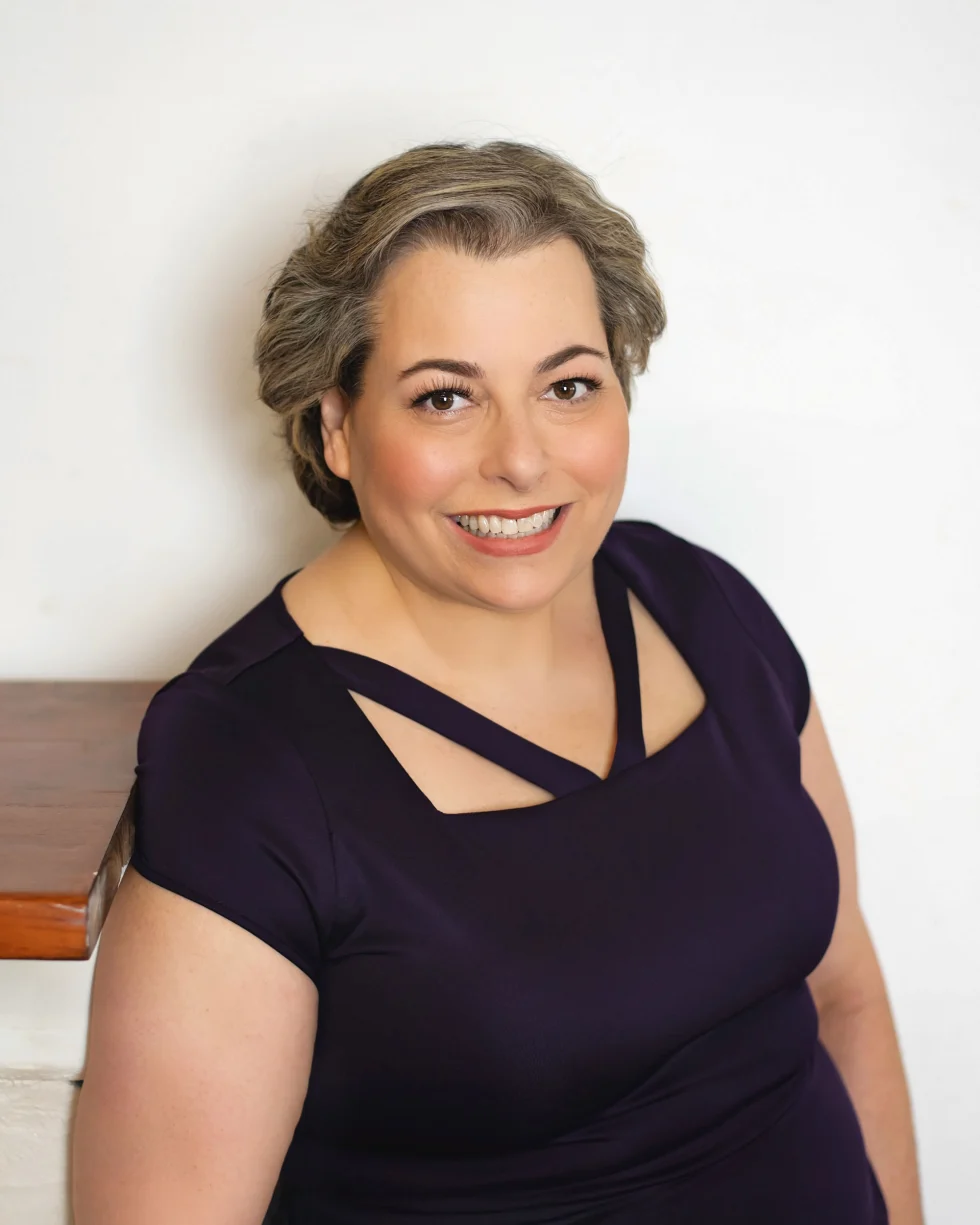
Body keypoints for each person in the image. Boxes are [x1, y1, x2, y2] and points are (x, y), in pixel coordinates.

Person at [72, 140, 924, 1224]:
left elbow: (842, 998)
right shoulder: (251, 761)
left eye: (567, 384)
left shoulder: (703, 608)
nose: (521, 458)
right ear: (335, 424)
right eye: (443, 398)